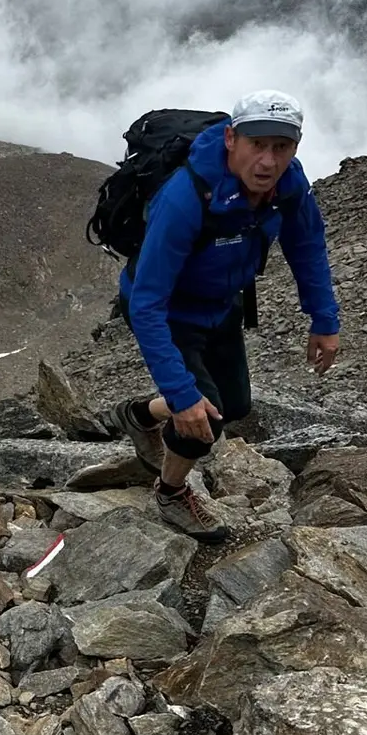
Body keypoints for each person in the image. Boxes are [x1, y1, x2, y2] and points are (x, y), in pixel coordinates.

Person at [105, 90, 341, 543]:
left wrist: (324, 319)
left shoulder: (288, 186)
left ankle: (139, 415)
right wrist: (181, 393)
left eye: (282, 147)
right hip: (168, 310)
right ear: (232, 138)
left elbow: (307, 247)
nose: (268, 160)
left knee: (234, 407)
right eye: (257, 144)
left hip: (220, 304)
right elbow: (147, 303)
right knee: (202, 420)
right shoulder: (186, 198)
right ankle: (171, 493)